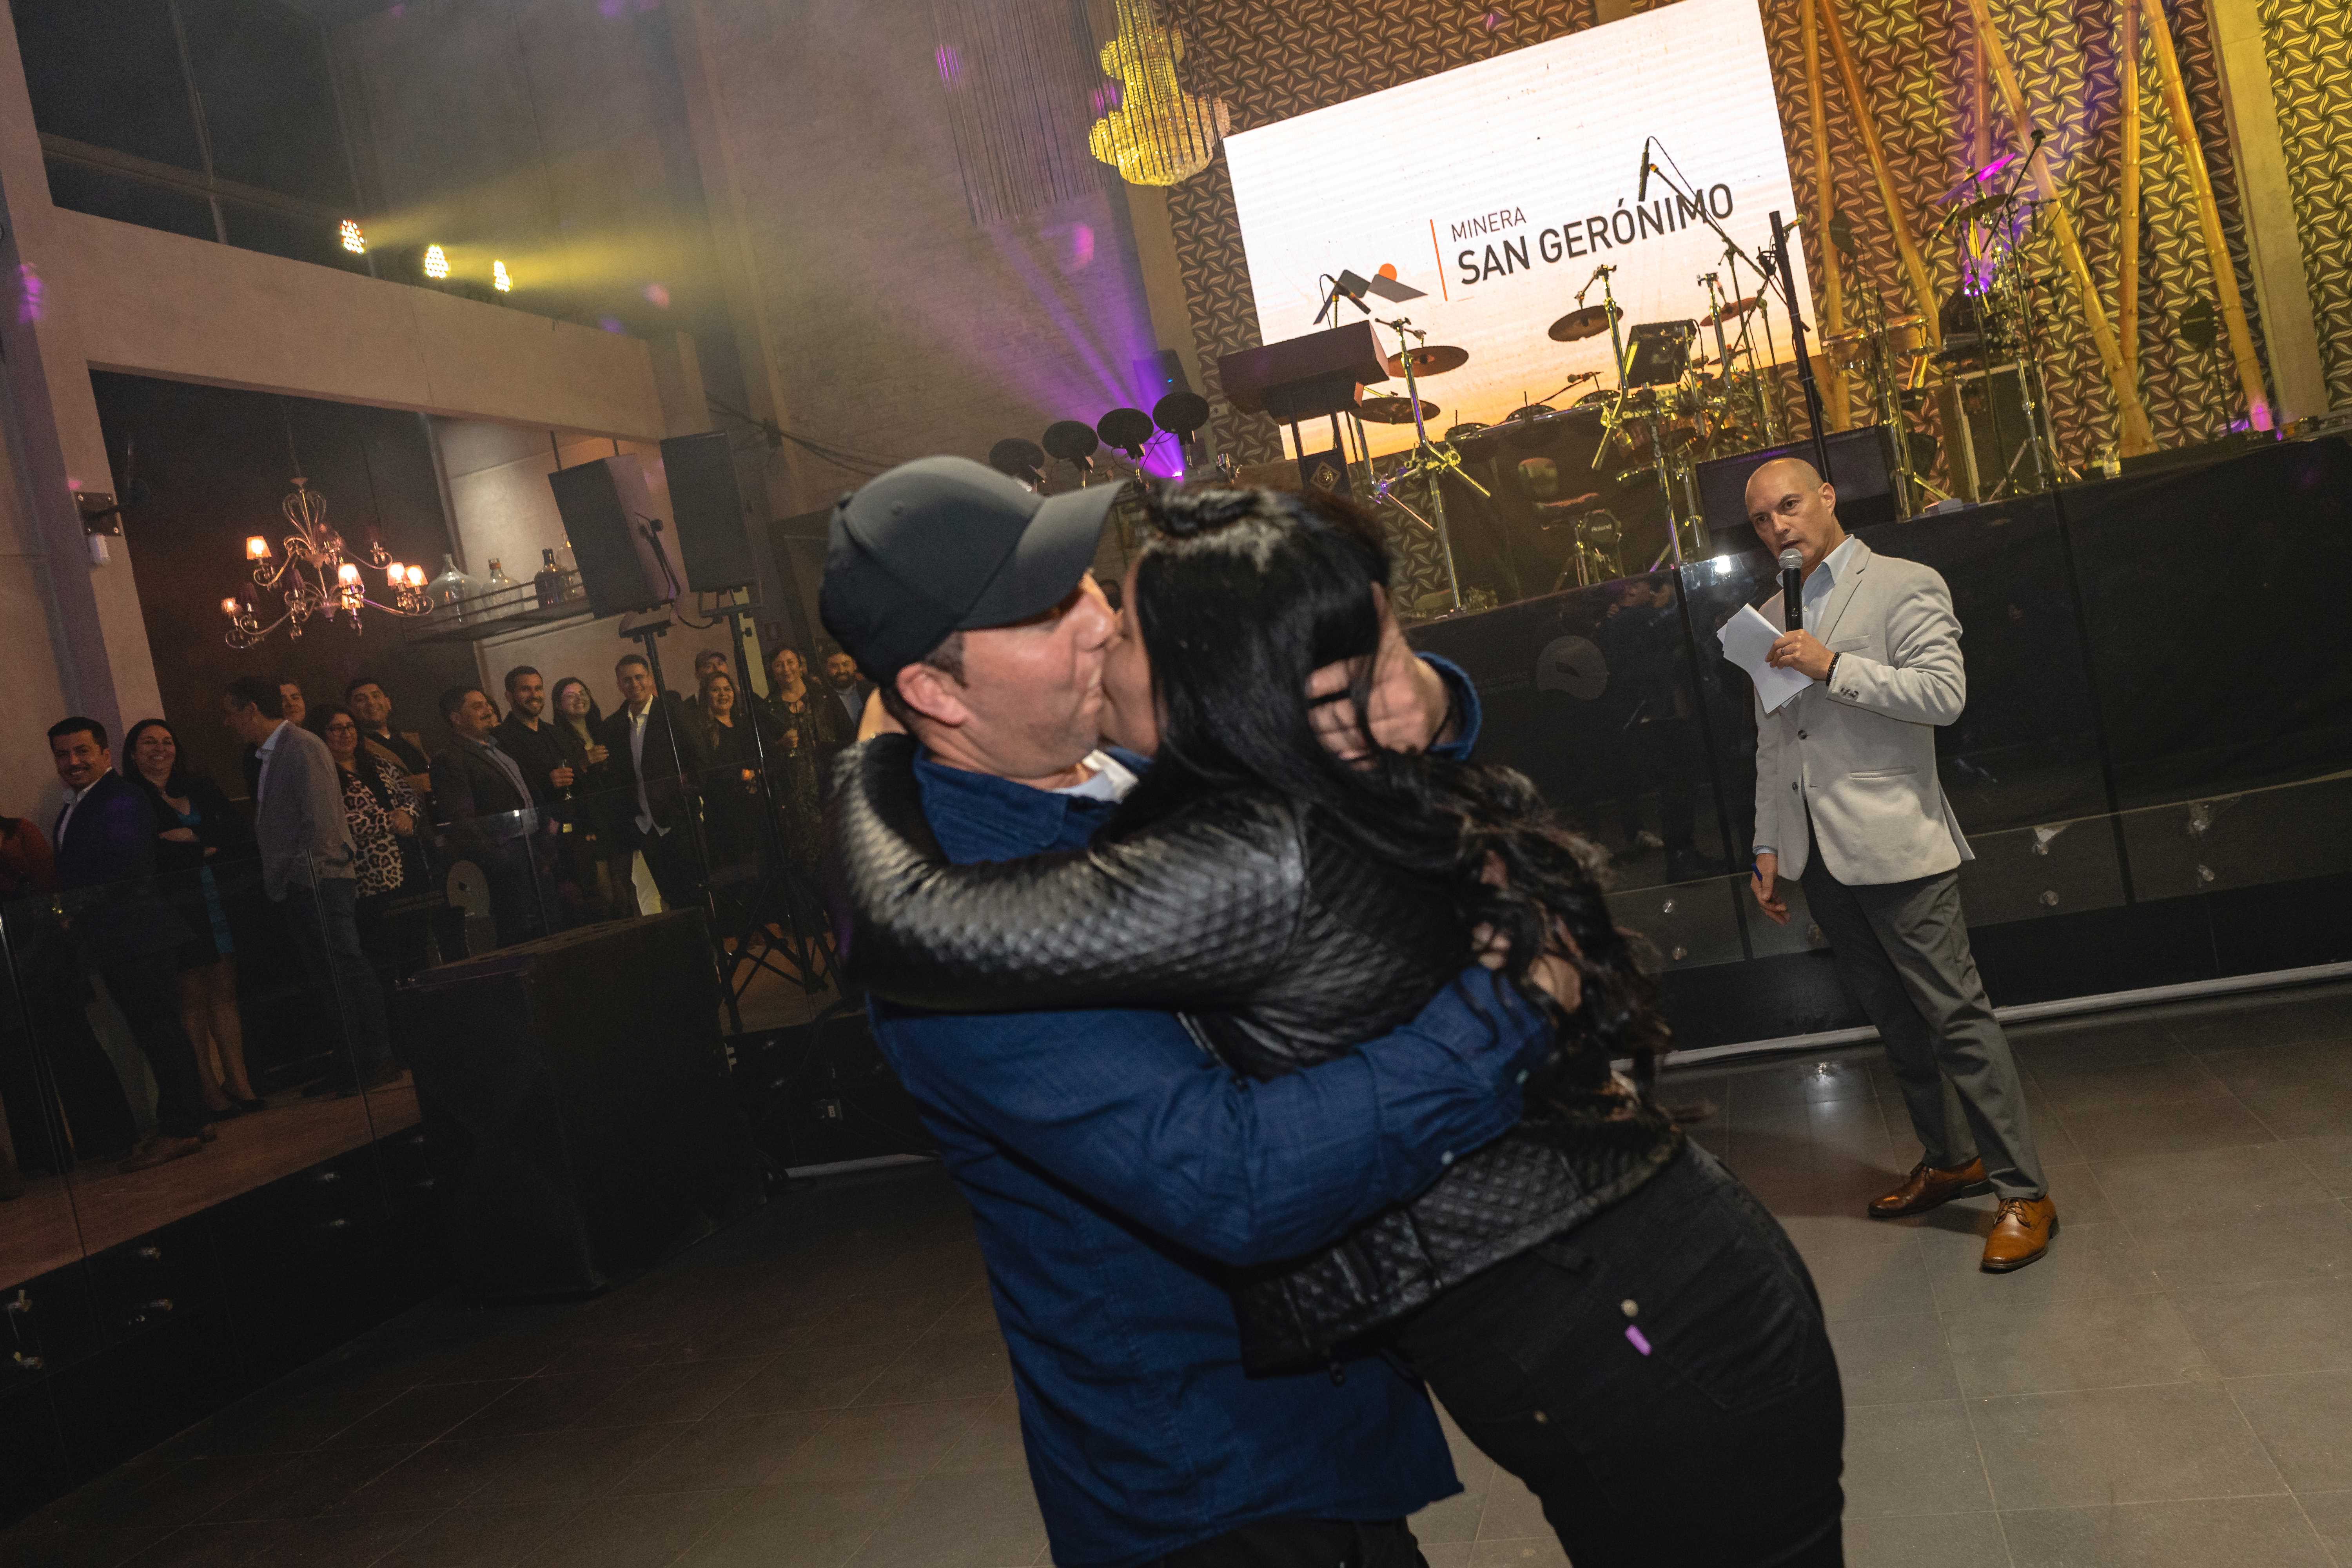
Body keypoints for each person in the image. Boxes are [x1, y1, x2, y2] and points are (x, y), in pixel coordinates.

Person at [831, 477, 1846, 1568]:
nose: (1097, 620)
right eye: (1043, 612)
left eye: (1090, 586)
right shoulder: (963, 943)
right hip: (1214, 1475)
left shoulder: (1152, 764)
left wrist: (1423, 687)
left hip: (1571, 1335)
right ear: (931, 689)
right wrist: (1505, 1011)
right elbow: (1238, 1181)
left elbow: (1336, 742)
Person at [1745, 456, 2053, 1270]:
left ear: (1827, 497)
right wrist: (1768, 844)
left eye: (1788, 506)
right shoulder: (1768, 615)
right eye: (1762, 519)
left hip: (1899, 844)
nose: (1778, 527)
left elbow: (1944, 695)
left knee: (1957, 1018)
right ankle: (1951, 1160)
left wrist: (1832, 666)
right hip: (1821, 855)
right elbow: (1775, 742)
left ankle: (2024, 1192)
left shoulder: (1903, 583)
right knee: (1895, 1021)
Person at [46, 717, 214, 1170]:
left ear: (105, 753)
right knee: (158, 1029)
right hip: (118, 935)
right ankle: (193, 1118)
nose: (73, 761)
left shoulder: (120, 796)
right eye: (63, 754)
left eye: (82, 750)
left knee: (158, 1030)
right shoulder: (80, 803)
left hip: (136, 931)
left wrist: (72, 911)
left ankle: (181, 1127)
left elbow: (125, 865)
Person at [226, 676, 399, 1096]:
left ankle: (375, 1059)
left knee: (345, 969)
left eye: (230, 713)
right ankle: (351, 1060)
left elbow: (320, 822)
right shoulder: (273, 752)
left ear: (251, 710)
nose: (227, 722)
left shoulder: (301, 745)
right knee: (329, 975)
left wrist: (303, 875)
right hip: (306, 880)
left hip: (320, 879)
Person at [123, 719, 261, 1117]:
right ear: (132, 753)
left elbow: (236, 832)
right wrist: (205, 843)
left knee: (225, 994)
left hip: (220, 899)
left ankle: (240, 1082)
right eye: (149, 742)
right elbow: (149, 854)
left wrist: (191, 839)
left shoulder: (199, 786)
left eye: (167, 741)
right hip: (178, 907)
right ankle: (208, 1091)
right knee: (192, 1002)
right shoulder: (131, 798)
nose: (160, 749)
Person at [0, 809, 138, 1168]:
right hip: (9, 960)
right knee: (16, 1060)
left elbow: (49, 888)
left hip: (43, 953)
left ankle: (108, 1136)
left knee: (73, 1044)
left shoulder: (18, 831)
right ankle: (44, 1157)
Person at [311, 703, 431, 986]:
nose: (346, 734)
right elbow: (336, 821)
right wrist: (389, 821)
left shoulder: (377, 763)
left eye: (350, 727)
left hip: (408, 865)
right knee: (383, 953)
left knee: (417, 946)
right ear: (321, 734)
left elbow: (409, 795)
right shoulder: (321, 774)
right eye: (336, 728)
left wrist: (407, 814)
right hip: (368, 877)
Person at [430, 686, 549, 949]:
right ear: (456, 719)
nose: (488, 710)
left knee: (546, 926)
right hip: (505, 861)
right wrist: (500, 858)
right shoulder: (451, 759)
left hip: (532, 851)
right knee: (519, 935)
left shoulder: (499, 748)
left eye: (487, 704)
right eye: (477, 707)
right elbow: (462, 820)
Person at [601, 653, 705, 913]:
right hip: (645, 825)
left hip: (679, 819)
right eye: (627, 680)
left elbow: (700, 759)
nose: (634, 684)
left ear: (650, 679)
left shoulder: (673, 714)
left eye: (639, 677)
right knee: (668, 896)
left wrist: (686, 795)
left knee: (697, 893)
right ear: (619, 685)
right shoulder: (614, 725)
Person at [758, 643, 844, 868]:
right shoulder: (768, 708)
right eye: (779, 665)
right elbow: (765, 753)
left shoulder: (823, 696)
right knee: (809, 852)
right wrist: (780, 745)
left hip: (830, 779)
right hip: (795, 789)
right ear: (772, 670)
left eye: (790, 663)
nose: (786, 669)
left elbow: (845, 732)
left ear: (800, 665)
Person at [550, 677, 621, 916]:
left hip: (615, 818)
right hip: (587, 825)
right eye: (570, 696)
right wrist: (584, 762)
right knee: (604, 893)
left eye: (583, 693)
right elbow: (564, 788)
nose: (579, 699)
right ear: (559, 706)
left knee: (626, 887)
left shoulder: (604, 730)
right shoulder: (558, 738)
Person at [691, 666, 767, 871]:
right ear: (706, 696)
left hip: (755, 807)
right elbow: (712, 769)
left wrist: (758, 775)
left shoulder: (745, 724)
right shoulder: (702, 731)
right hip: (725, 814)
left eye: (727, 689)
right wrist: (746, 775)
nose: (723, 695)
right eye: (716, 690)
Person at [495, 666, 579, 809]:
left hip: (573, 815)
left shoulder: (557, 733)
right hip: (536, 819)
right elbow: (503, 792)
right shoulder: (499, 739)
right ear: (509, 696)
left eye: (538, 689)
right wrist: (547, 783)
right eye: (526, 689)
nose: (534, 695)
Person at [345, 676, 434, 807]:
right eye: (361, 700)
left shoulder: (410, 739)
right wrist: (414, 784)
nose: (371, 703)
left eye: (376, 696)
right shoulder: (356, 748)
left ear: (388, 703)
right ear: (351, 711)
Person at [819, 642, 873, 732]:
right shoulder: (821, 700)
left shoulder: (870, 690)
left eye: (846, 664)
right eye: (834, 666)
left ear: (855, 665)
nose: (842, 671)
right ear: (826, 669)